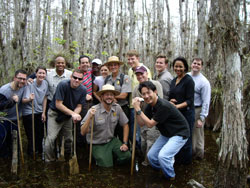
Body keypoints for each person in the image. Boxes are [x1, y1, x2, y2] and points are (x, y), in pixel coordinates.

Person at [132, 81, 190, 180]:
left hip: (179, 133)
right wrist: (138, 111)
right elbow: (142, 123)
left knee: (163, 156)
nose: (146, 96)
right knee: (151, 156)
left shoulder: (163, 106)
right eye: (144, 94)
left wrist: (138, 110)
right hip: (167, 134)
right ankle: (162, 169)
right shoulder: (150, 106)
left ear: (155, 92)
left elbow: (150, 125)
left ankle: (170, 177)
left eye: (148, 92)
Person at [80, 84, 131, 167]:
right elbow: (83, 132)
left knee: (127, 156)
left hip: (111, 140)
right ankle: (102, 158)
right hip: (97, 143)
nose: (109, 97)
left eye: (111, 95)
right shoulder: (93, 110)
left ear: (114, 97)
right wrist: (90, 117)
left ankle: (112, 157)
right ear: (102, 96)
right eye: (107, 94)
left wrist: (125, 143)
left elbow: (125, 124)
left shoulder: (117, 108)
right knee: (107, 166)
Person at [44, 69, 87, 162]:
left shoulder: (83, 90)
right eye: (75, 77)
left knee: (69, 139)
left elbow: (79, 106)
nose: (76, 80)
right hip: (55, 113)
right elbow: (58, 104)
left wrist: (75, 114)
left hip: (68, 116)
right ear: (71, 77)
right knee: (51, 138)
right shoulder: (63, 85)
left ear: (82, 80)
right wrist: (73, 114)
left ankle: (68, 158)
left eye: (79, 79)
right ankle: (49, 160)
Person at [132, 66, 163, 166]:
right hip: (142, 119)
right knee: (143, 142)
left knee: (151, 142)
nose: (140, 76)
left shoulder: (156, 84)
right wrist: (137, 106)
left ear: (147, 73)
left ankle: (150, 164)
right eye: (137, 74)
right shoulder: (136, 89)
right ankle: (145, 161)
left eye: (142, 73)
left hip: (154, 119)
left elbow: (159, 101)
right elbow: (134, 106)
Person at [169, 57, 195, 164]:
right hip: (176, 115)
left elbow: (190, 100)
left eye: (180, 66)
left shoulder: (189, 80)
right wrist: (171, 101)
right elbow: (171, 95)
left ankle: (186, 163)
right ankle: (178, 161)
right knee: (177, 137)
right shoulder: (173, 80)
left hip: (187, 113)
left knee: (186, 139)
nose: (178, 68)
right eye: (176, 66)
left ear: (185, 67)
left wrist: (177, 106)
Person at [127, 50, 152, 147]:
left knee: (141, 129)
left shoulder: (145, 69)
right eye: (128, 59)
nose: (130, 61)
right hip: (132, 104)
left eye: (132, 59)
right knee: (134, 130)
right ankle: (136, 149)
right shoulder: (130, 70)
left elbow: (148, 86)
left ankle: (142, 150)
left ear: (138, 58)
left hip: (142, 105)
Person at [0, 69, 27, 158]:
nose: (22, 81)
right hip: (4, 120)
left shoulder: (23, 86)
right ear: (14, 78)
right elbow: (1, 106)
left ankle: (15, 161)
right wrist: (11, 101)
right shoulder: (4, 90)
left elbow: (35, 77)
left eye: (24, 79)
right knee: (2, 140)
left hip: (16, 119)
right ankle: (4, 163)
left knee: (15, 142)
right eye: (20, 78)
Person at [22, 66, 49, 156]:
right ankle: (31, 154)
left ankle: (40, 153)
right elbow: (23, 100)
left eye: (43, 73)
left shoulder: (45, 83)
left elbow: (45, 98)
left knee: (40, 134)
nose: (41, 75)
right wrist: (30, 99)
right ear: (36, 74)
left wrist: (44, 113)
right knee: (31, 135)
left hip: (39, 111)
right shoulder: (29, 84)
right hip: (29, 112)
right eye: (39, 73)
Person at [104, 56, 131, 142]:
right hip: (110, 109)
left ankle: (125, 150)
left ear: (119, 66)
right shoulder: (107, 79)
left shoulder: (125, 78)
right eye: (111, 65)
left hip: (122, 108)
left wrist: (112, 97)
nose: (113, 67)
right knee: (111, 132)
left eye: (115, 65)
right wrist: (112, 99)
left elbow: (124, 95)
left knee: (123, 132)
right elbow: (104, 94)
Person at [188, 58, 211, 159]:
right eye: (194, 63)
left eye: (198, 64)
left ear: (201, 67)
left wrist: (202, 118)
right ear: (191, 64)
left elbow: (206, 101)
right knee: (189, 133)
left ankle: (199, 156)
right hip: (187, 109)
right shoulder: (187, 76)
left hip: (198, 109)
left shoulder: (204, 82)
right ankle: (190, 154)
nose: (196, 65)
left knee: (198, 135)